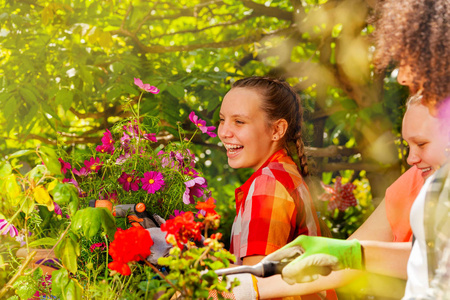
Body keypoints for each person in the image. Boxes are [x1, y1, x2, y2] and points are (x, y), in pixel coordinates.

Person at [217, 76, 337, 299]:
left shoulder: (268, 184)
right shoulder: (285, 174)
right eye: (222, 120)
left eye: (239, 122)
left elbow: (253, 287)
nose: (224, 132)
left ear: (277, 130)